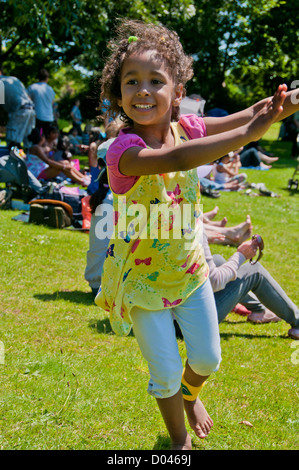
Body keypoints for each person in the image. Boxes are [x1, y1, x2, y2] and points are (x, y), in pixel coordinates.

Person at [93, 19, 298, 450]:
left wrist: (279, 107)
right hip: (143, 282)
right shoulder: (123, 151)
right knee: (165, 369)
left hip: (190, 272)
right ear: (118, 94)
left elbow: (245, 115)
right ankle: (180, 444)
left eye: (155, 80)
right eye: (131, 82)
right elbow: (181, 159)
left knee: (207, 358)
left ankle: (191, 394)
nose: (143, 90)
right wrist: (248, 134)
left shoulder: (189, 126)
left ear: (178, 94)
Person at [203, 230, 299, 340]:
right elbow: (215, 281)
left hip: (182, 307)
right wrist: (240, 255)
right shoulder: (189, 228)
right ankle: (297, 320)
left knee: (218, 260)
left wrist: (201, 236)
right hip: (189, 322)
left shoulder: (182, 228)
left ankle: (259, 310)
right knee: (254, 270)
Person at [25, 128, 90, 187]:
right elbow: (48, 161)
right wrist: (63, 166)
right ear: (42, 137)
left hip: (41, 170)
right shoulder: (36, 148)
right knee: (62, 167)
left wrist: (63, 164)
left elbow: (47, 149)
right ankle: (82, 181)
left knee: (66, 162)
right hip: (36, 174)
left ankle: (84, 178)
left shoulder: (37, 147)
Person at [0, 66, 35, 149]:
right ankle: (30, 159)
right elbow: (27, 96)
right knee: (28, 140)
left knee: (12, 139)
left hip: (20, 111)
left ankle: (13, 160)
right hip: (31, 109)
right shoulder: (13, 79)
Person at [27, 69, 56, 136]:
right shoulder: (50, 89)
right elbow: (52, 102)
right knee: (46, 138)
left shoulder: (32, 87)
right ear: (47, 78)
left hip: (37, 116)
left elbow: (28, 101)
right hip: (49, 117)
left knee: (36, 138)